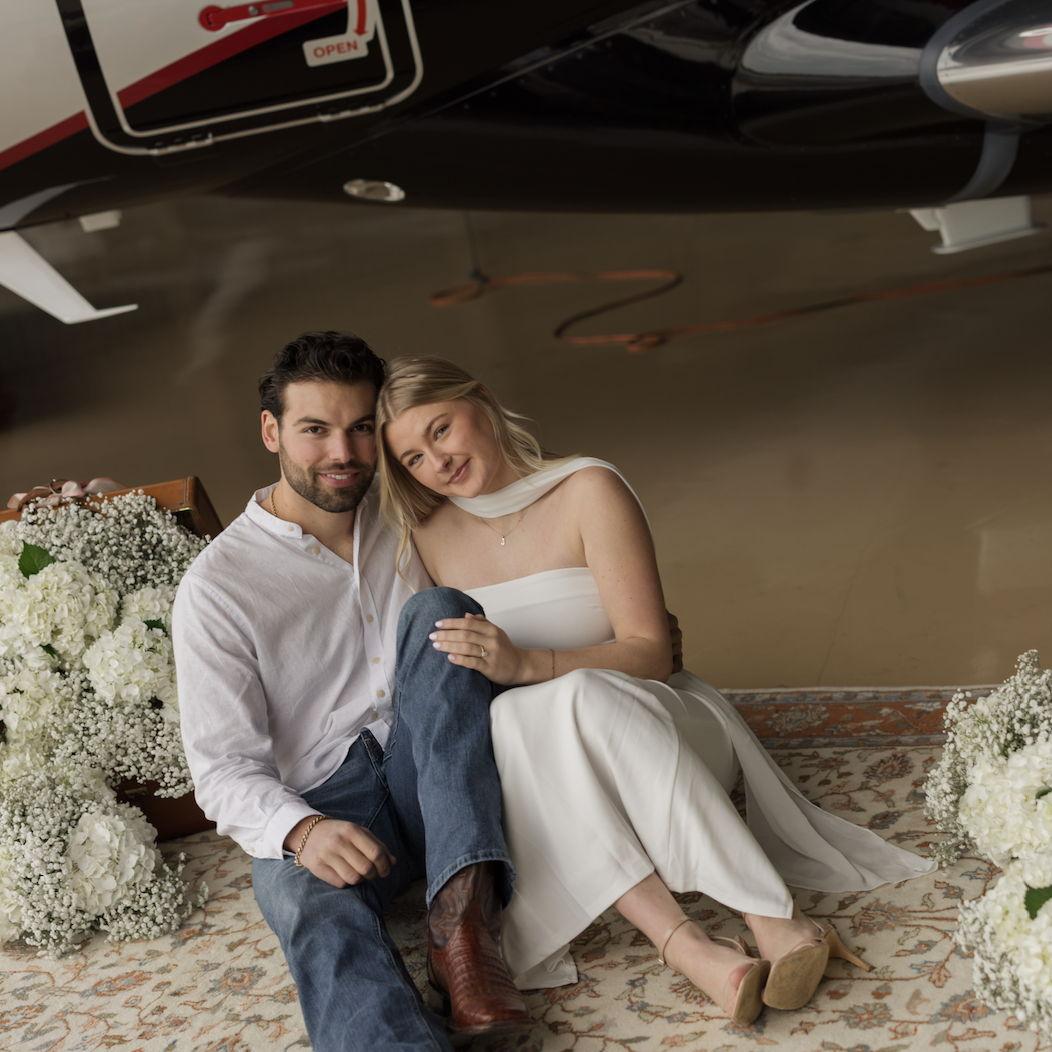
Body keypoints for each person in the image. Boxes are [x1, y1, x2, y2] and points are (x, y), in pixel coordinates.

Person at [375, 356, 937, 1026]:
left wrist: (527, 663)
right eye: (413, 457)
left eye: (440, 430)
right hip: (550, 763)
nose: (437, 462)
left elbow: (650, 653)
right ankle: (690, 947)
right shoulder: (426, 539)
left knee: (576, 696)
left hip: (660, 726)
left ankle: (768, 915)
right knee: (521, 720)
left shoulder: (587, 488)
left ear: (482, 402)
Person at [172, 332, 537, 1052]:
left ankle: (461, 935)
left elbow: (521, 536)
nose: (342, 452)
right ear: (272, 431)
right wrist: (303, 831)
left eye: (361, 428)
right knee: (302, 904)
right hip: (325, 804)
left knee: (439, 613)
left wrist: (608, 626)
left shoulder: (409, 509)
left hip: (434, 766)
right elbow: (221, 770)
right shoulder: (217, 588)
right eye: (315, 429)